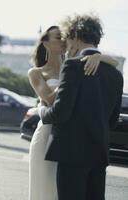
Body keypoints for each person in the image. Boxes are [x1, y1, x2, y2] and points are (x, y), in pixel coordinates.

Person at [28, 22, 120, 200]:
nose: (64, 42)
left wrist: (98, 58)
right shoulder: (39, 72)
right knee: (45, 189)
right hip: (48, 134)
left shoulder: (75, 67)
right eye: (58, 38)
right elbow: (50, 99)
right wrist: (70, 78)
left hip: (68, 140)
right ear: (45, 43)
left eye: (65, 38)